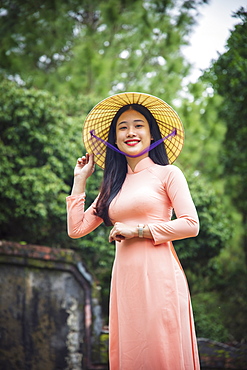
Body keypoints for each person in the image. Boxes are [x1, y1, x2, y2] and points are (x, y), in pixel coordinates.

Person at [66, 92, 200, 370]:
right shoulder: (111, 186)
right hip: (125, 282)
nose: (130, 132)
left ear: (152, 135)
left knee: (160, 349)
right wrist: (80, 181)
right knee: (131, 352)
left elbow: (191, 224)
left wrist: (138, 230)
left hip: (159, 276)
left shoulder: (168, 174)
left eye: (139, 125)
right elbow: (76, 229)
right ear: (114, 139)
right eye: (122, 127)